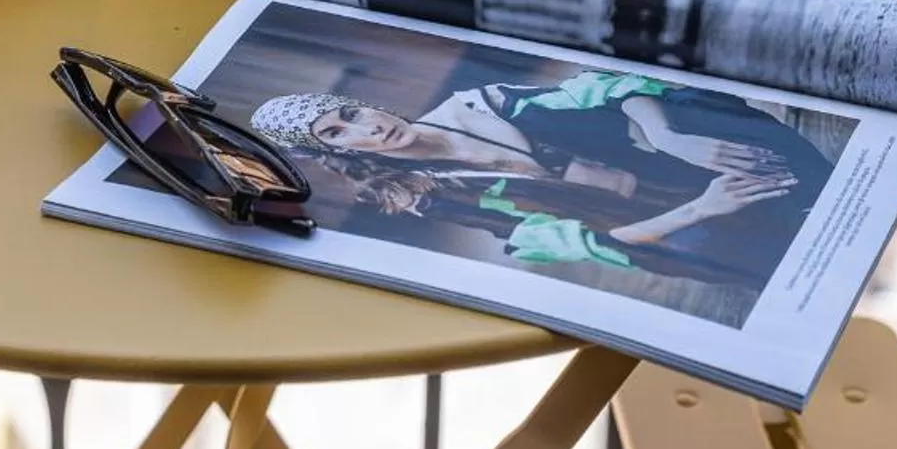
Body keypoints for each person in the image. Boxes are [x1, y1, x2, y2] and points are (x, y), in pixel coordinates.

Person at [250, 70, 833, 295]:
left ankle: (800, 183)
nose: (369, 127)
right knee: (700, 245)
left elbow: (610, 87)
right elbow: (586, 243)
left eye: (350, 112)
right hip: (647, 216)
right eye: (340, 134)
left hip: (661, 164)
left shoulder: (479, 102)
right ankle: (766, 223)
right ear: (336, 154)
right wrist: (699, 210)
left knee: (681, 109)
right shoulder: (428, 194)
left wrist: (668, 138)